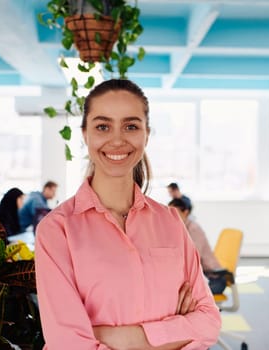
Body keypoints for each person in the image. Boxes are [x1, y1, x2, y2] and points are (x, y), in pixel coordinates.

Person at [35, 79, 221, 349]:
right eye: (103, 126)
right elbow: (69, 344)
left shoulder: (170, 222)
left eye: (131, 126)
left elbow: (208, 322)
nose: (118, 139)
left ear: (146, 134)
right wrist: (172, 333)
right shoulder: (57, 230)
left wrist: (106, 335)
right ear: (85, 134)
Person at [169, 198, 227, 295]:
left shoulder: (193, 229)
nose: (171, 216)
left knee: (177, 294)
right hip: (203, 277)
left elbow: (193, 259)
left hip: (214, 279)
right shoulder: (181, 228)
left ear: (185, 212)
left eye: (174, 212)